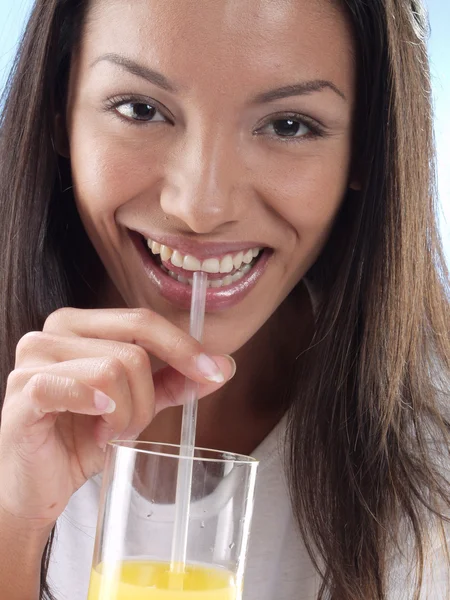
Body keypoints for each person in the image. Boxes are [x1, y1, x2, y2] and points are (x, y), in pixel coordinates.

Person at [0, 0, 449, 598]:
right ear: (58, 109)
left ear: (365, 150)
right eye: (141, 109)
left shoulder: (435, 440)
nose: (201, 206)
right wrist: (13, 527)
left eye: (289, 125)